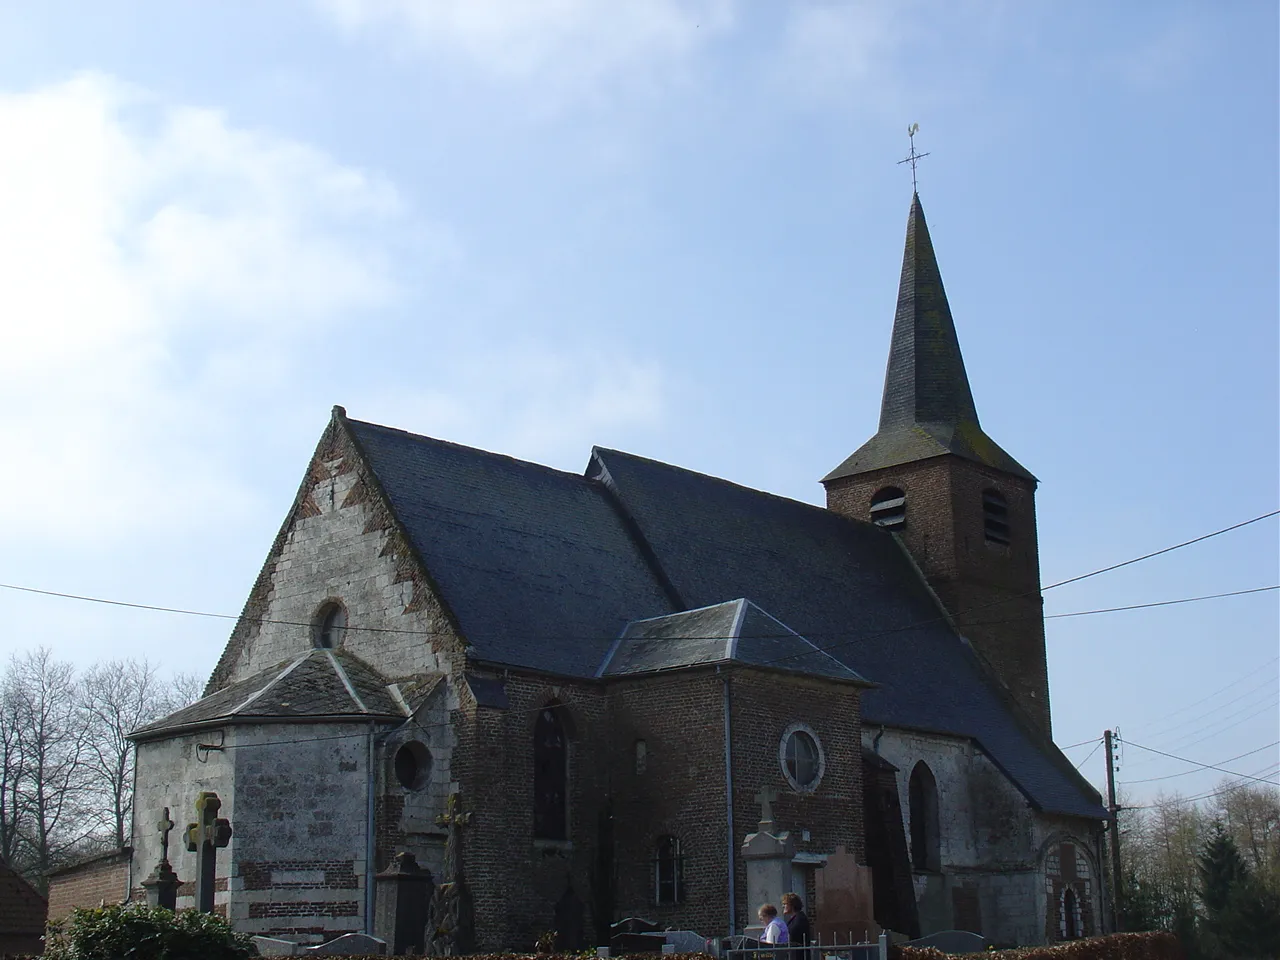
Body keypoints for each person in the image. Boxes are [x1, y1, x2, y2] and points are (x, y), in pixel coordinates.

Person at [781, 892, 811, 956]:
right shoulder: (796, 918)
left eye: (785, 904)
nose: (783, 906)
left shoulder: (800, 919)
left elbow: (792, 936)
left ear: (792, 905)